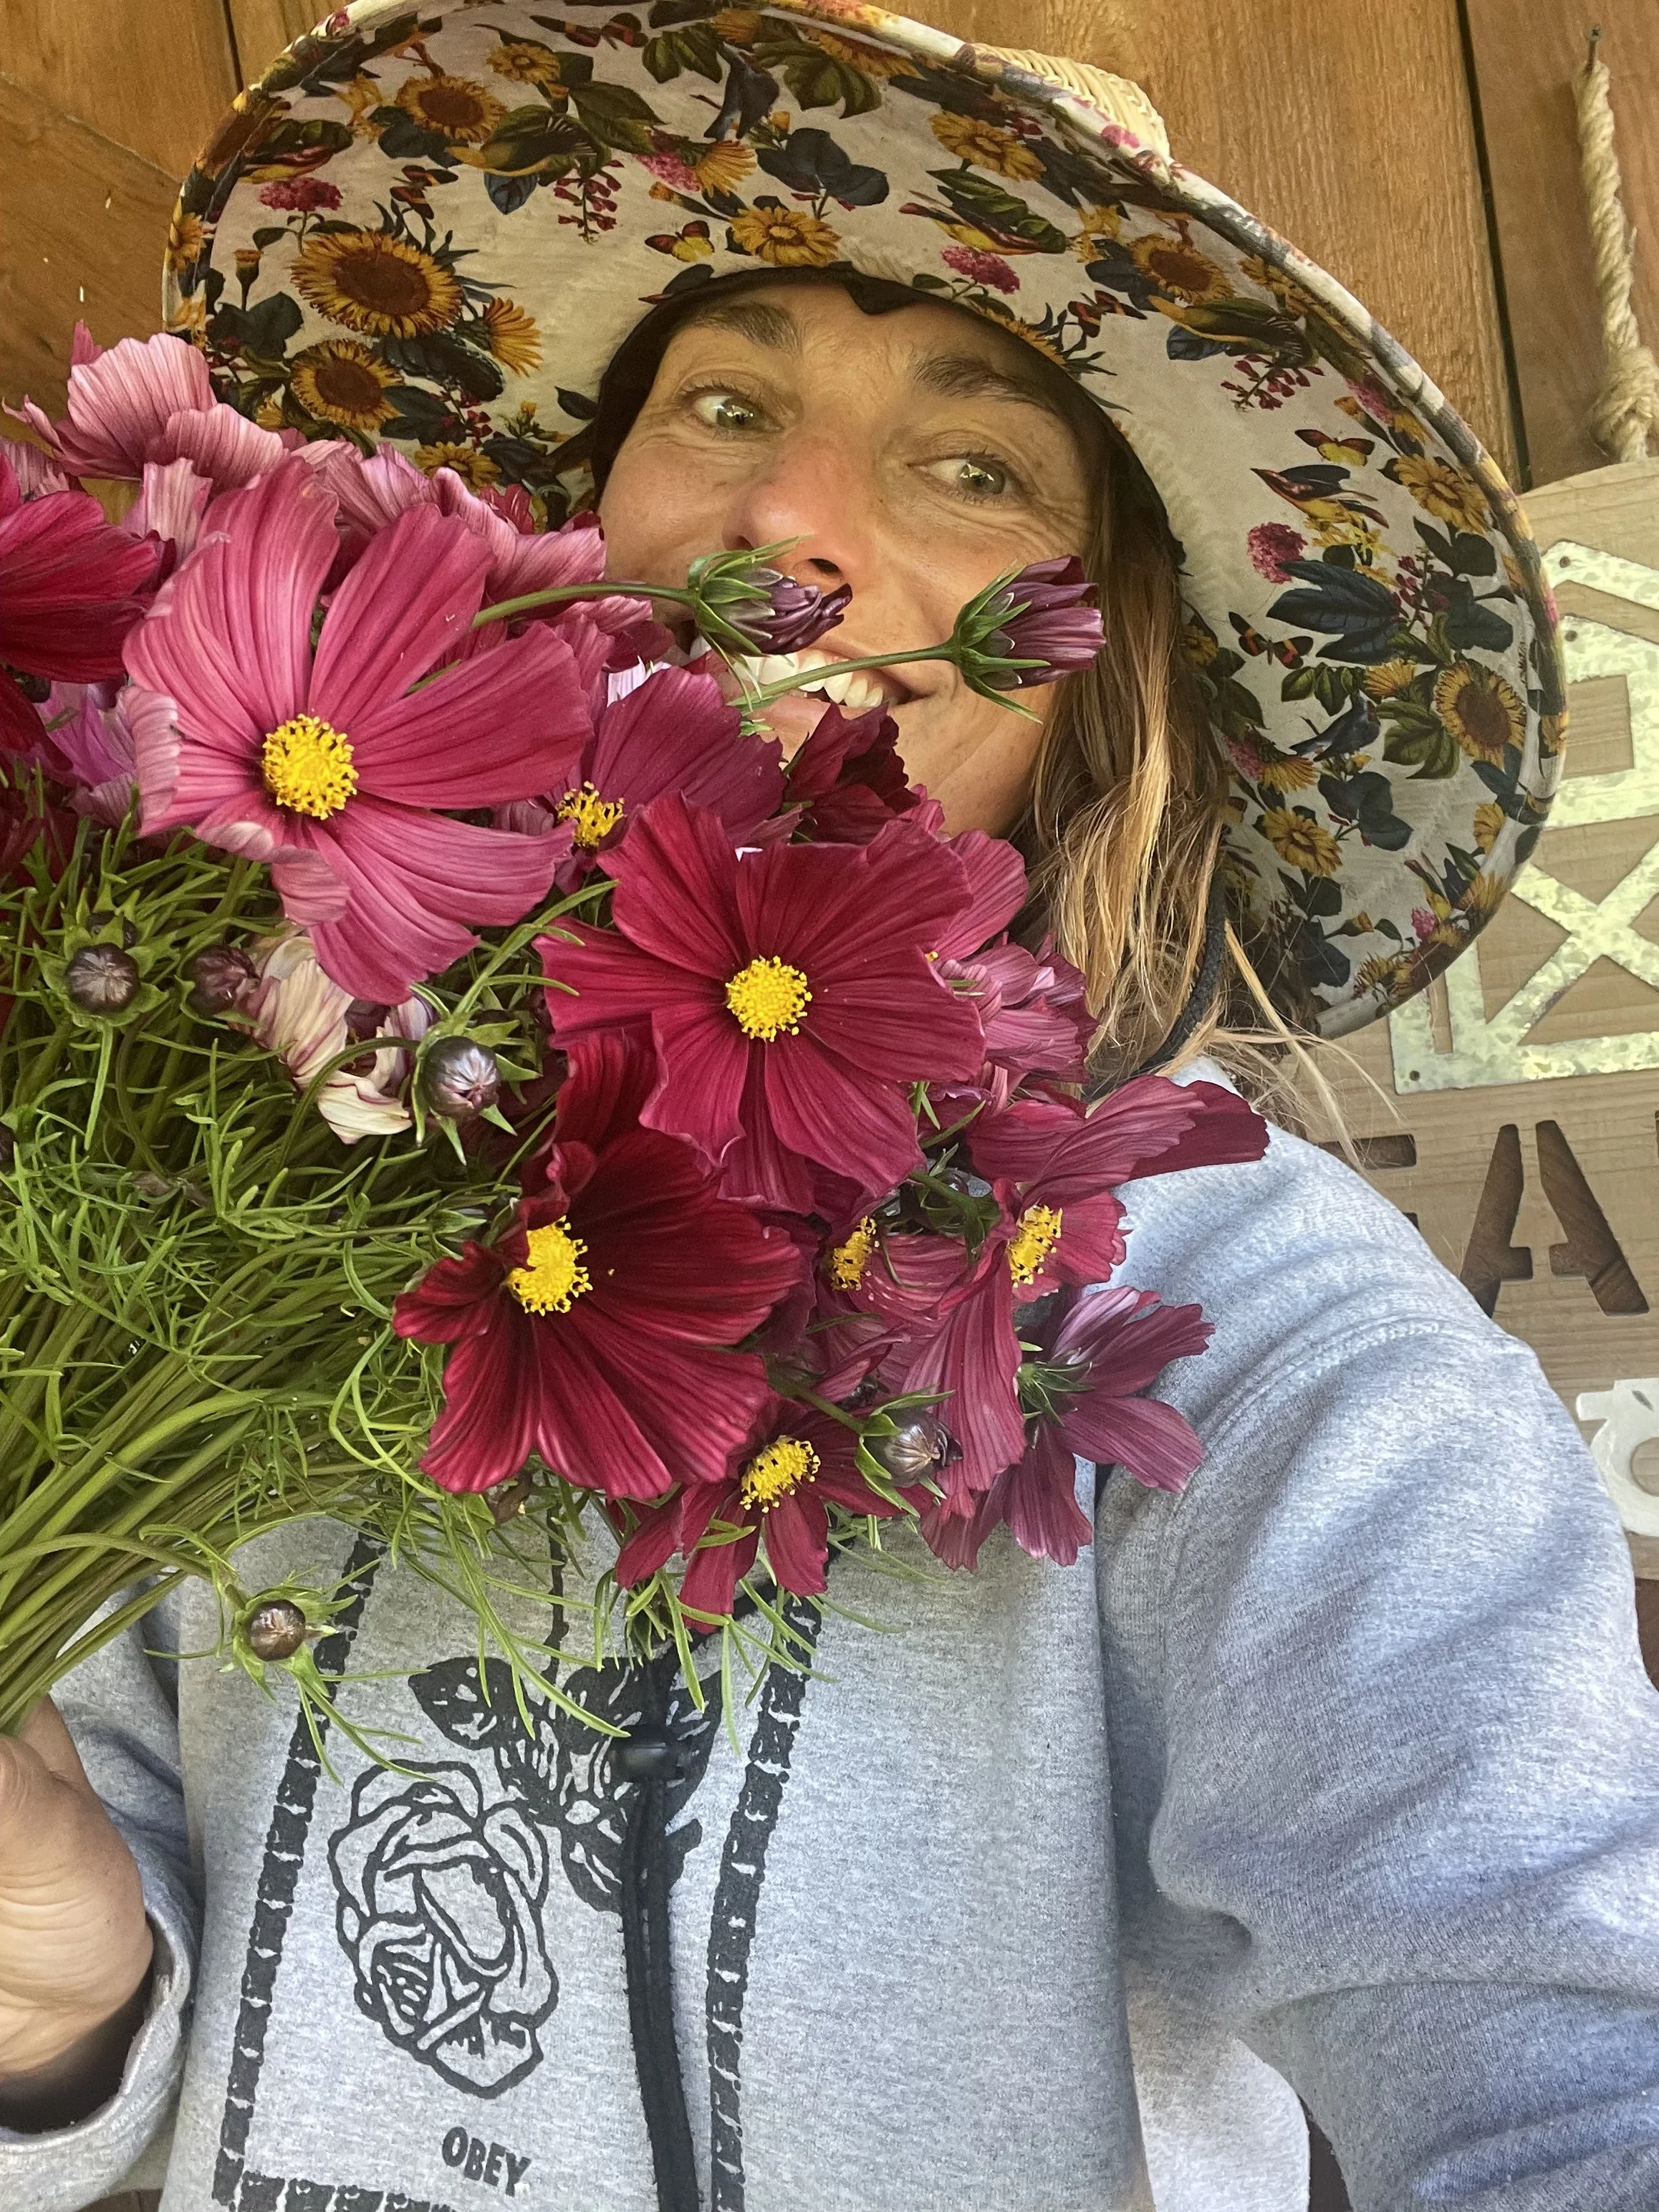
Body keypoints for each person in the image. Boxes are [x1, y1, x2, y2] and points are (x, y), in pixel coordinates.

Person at [3, 8, 1657, 2209]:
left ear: (1101, 680)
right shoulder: (242, 1160)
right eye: (723, 402)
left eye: (976, 470)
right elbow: (112, 2034)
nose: (788, 521)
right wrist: (60, 2002)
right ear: (567, 518)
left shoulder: (1228, 1341)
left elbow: (1557, 2052)